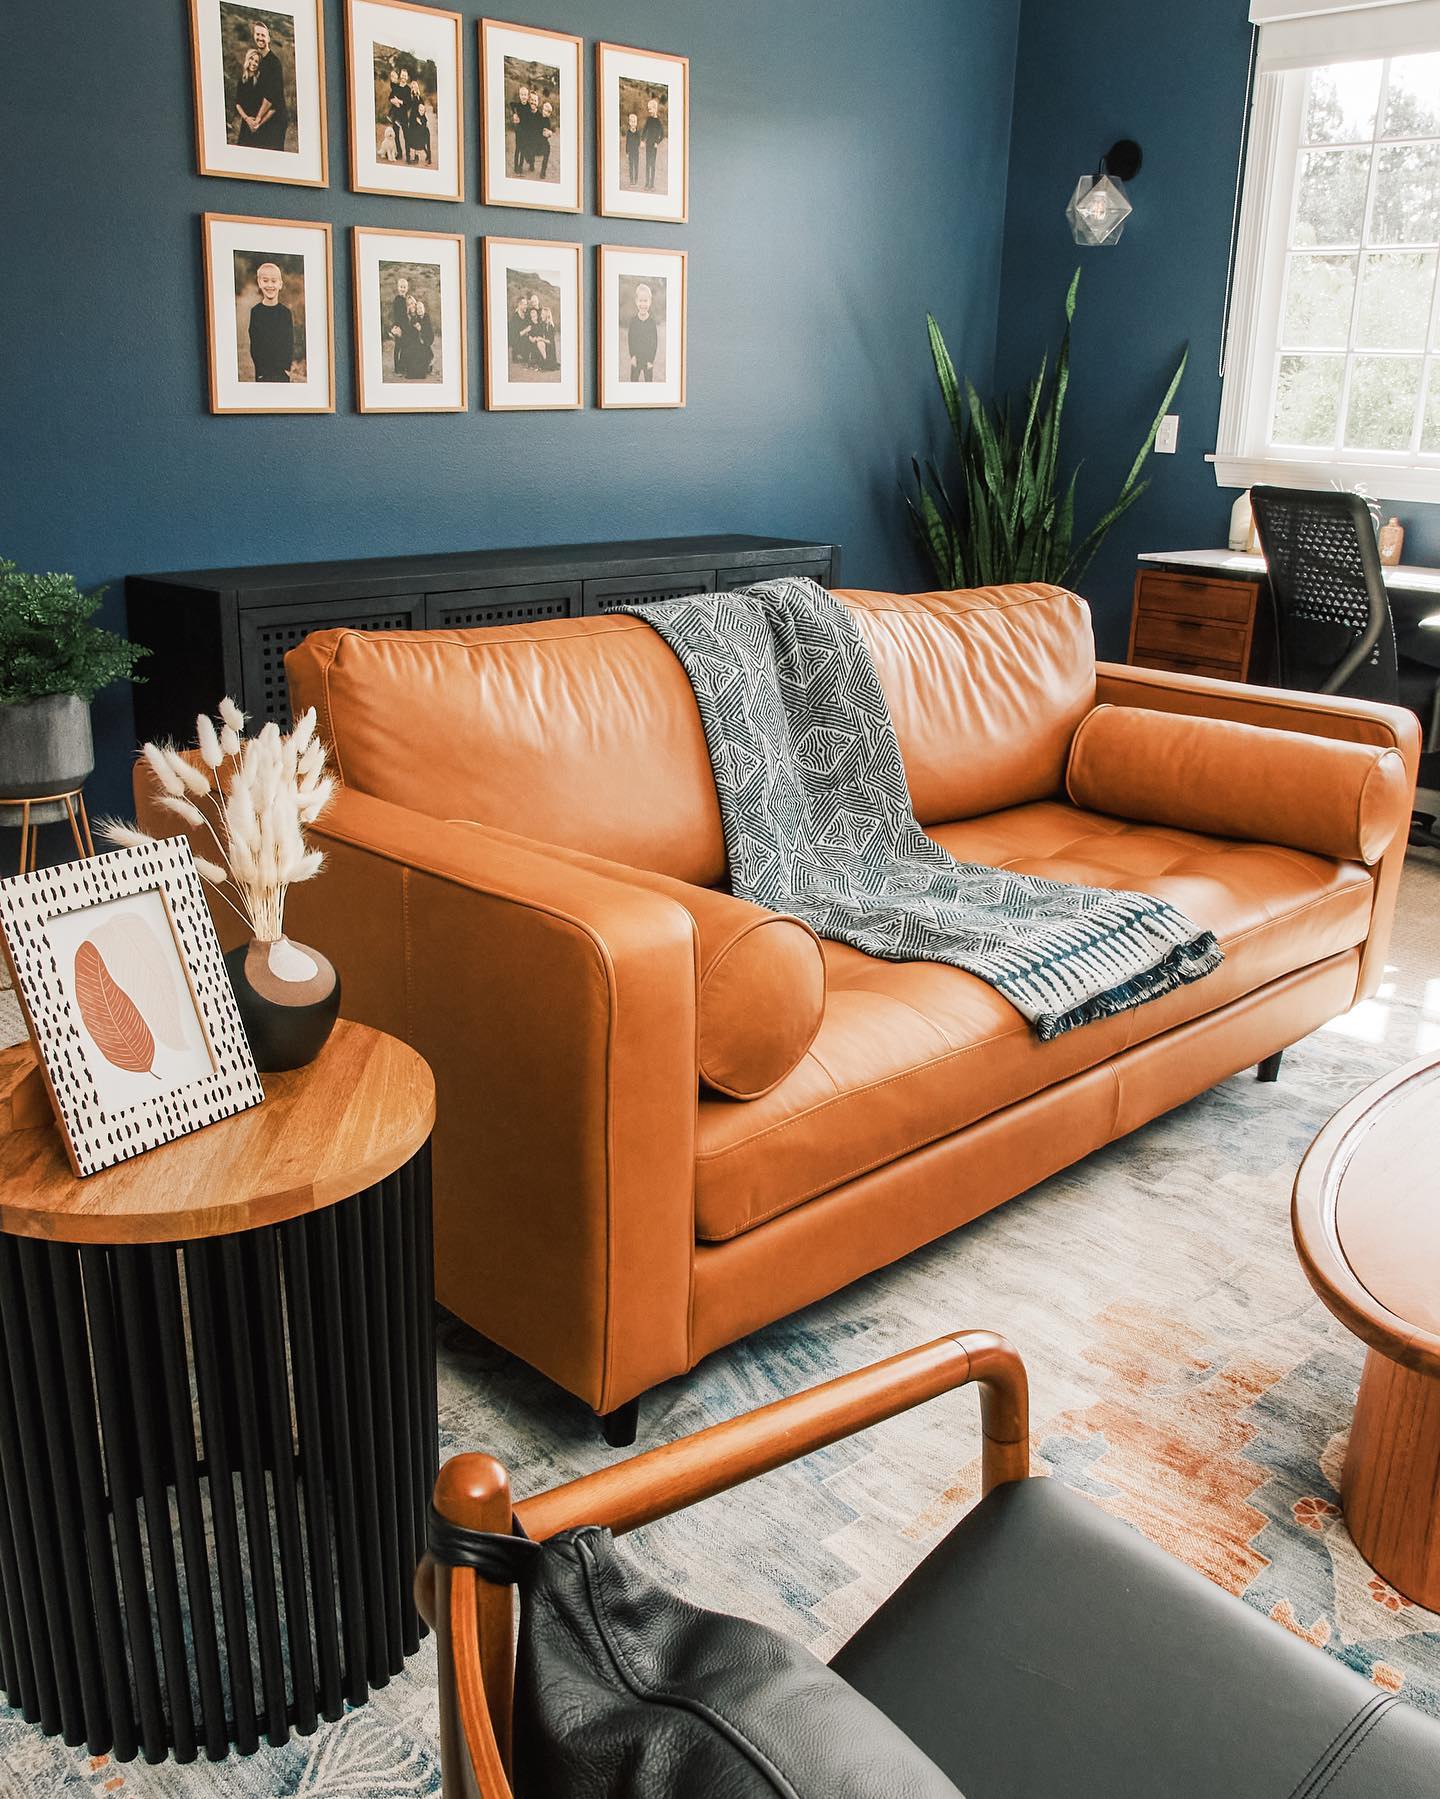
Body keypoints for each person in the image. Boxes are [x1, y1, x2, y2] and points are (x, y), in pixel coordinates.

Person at [248, 260, 296, 382]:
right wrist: (260, 370)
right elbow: (255, 344)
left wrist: (286, 367)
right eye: (265, 280)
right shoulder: (256, 312)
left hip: (282, 373)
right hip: (262, 373)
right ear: (259, 283)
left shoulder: (285, 313)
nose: (270, 285)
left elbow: (289, 342)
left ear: (280, 284)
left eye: (274, 281)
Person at [248, 20, 289, 151]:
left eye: (263, 35)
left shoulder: (274, 63)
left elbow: (271, 96)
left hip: (274, 118)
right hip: (262, 116)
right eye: (257, 34)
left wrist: (258, 120)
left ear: (269, 38)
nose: (260, 38)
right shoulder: (258, 60)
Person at [626, 282, 658, 382]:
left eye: (645, 301)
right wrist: (632, 356)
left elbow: (654, 343)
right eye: (641, 301)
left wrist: (651, 360)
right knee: (633, 381)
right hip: (636, 359)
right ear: (636, 301)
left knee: (648, 384)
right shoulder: (633, 322)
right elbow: (630, 340)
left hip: (648, 361)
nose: (643, 304)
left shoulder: (652, 323)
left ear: (650, 302)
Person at [233, 48, 264, 146]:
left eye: (257, 62)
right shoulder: (242, 80)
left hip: (259, 122)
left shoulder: (260, 81)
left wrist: (256, 122)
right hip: (246, 122)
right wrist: (247, 119)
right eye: (252, 59)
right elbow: (238, 104)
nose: (253, 63)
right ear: (247, 59)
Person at [388, 62, 412, 162]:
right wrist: (394, 101)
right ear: (400, 76)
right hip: (396, 115)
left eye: (405, 75)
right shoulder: (396, 87)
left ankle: (408, 157)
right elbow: (390, 98)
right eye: (402, 75)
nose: (403, 77)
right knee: (396, 135)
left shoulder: (408, 89)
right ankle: (399, 153)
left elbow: (409, 103)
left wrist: (400, 101)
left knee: (407, 136)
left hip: (404, 116)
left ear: (407, 77)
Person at [388, 275, 410, 375]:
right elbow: (396, 314)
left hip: (405, 327)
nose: (402, 289)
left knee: (405, 346)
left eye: (404, 287)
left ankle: (402, 366)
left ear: (407, 288)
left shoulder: (405, 299)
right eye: (401, 287)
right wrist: (397, 327)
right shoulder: (397, 299)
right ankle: (397, 368)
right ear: (398, 288)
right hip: (399, 326)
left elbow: (406, 314)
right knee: (398, 347)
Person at [642, 94, 665, 191]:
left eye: (651, 109)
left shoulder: (658, 122)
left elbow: (662, 135)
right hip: (648, 144)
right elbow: (644, 130)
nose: (649, 111)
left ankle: (652, 184)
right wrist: (643, 140)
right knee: (647, 164)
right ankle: (647, 184)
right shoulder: (648, 120)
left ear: (655, 109)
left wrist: (657, 142)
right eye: (648, 109)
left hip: (654, 146)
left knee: (652, 164)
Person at [408, 78, 430, 165]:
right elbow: (410, 106)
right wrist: (412, 94)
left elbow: (423, 108)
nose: (414, 88)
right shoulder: (411, 97)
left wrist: (422, 119)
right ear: (411, 88)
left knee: (418, 138)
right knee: (413, 138)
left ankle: (420, 156)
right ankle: (414, 157)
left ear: (417, 88)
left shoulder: (419, 97)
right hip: (413, 120)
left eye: (416, 87)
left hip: (419, 120)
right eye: (413, 87)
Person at [510, 83, 530, 173]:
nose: (524, 97)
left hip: (526, 131)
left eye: (525, 95)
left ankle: (521, 166)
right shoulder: (517, 105)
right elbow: (511, 104)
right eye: (522, 95)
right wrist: (514, 113)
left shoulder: (529, 106)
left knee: (523, 149)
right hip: (519, 130)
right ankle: (515, 166)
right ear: (519, 95)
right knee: (518, 148)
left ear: (528, 96)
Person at [622, 109, 642, 187]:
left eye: (634, 122)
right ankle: (631, 181)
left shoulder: (637, 132)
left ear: (636, 123)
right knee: (631, 166)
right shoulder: (628, 132)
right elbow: (627, 143)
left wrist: (638, 143)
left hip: (636, 152)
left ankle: (636, 181)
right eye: (632, 122)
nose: (633, 123)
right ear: (629, 123)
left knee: (636, 166)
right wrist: (627, 152)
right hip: (630, 152)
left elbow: (638, 142)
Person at [538, 99, 555, 180]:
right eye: (545, 110)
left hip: (543, 140)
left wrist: (549, 133)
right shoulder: (538, 117)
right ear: (542, 109)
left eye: (548, 112)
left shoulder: (548, 121)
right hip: (536, 138)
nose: (546, 113)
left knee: (547, 150)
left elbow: (548, 132)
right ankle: (531, 162)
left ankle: (543, 171)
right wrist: (540, 131)